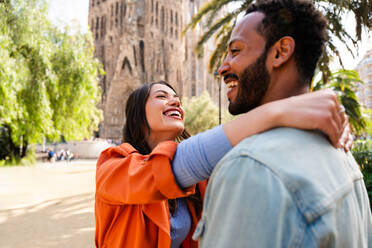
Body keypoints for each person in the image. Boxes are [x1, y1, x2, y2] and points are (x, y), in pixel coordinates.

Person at [194, 1, 372, 247]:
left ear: (280, 52)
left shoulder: (250, 168)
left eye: (235, 51)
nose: (223, 67)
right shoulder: (343, 156)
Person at [94, 78, 350, 247]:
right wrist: (278, 112)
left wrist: (324, 132)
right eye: (162, 96)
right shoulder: (113, 166)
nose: (176, 102)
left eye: (177, 98)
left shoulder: (198, 182)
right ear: (138, 115)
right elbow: (167, 170)